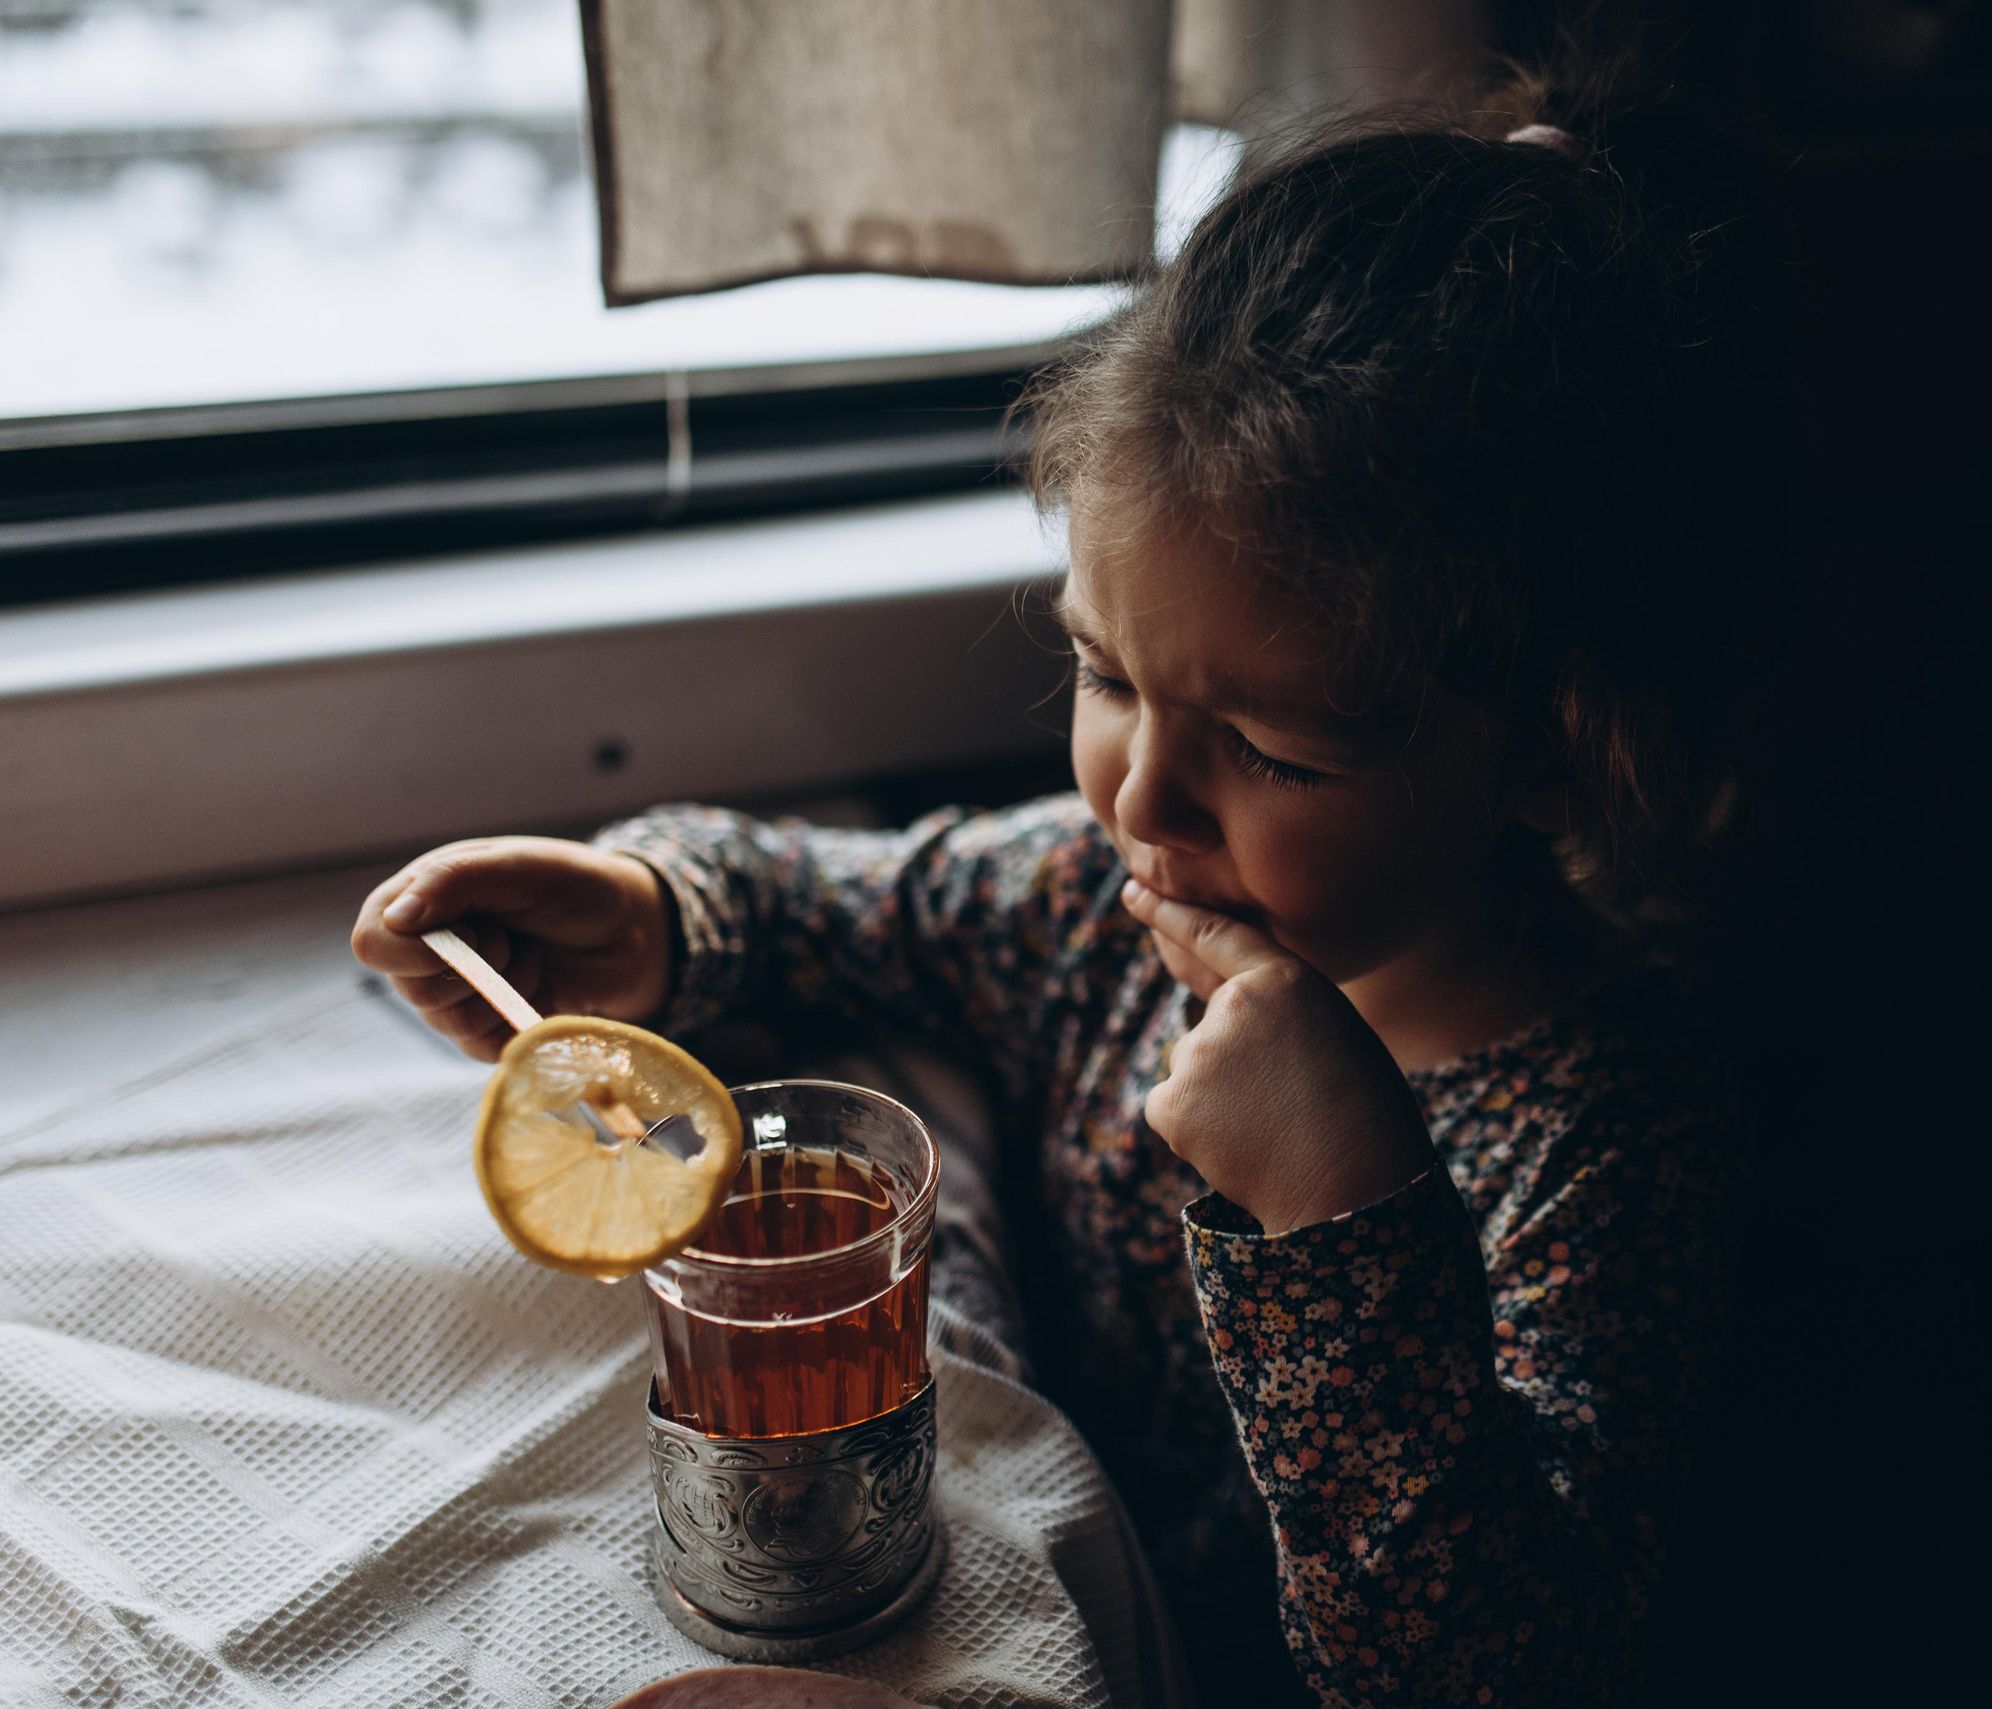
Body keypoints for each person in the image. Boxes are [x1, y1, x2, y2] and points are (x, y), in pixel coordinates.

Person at [354, 79, 1783, 1708]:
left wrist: (1341, 1218)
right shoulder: (1096, 909)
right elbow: (862, 901)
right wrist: (657, 905)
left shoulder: (1610, 1145)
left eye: (1269, 748)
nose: (1139, 795)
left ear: (1552, 746)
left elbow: (1484, 1667)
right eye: (1103, 672)